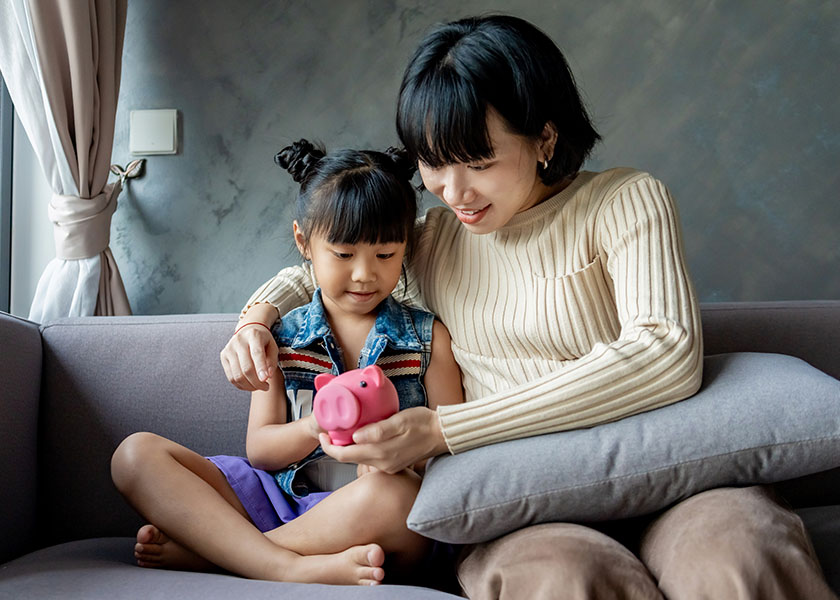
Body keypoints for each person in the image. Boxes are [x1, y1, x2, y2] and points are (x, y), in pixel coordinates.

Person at [221, 15, 836, 600]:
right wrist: (256, 319)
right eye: (433, 163)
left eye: (479, 162)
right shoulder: (435, 240)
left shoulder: (625, 201)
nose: (453, 191)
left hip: (679, 479)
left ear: (544, 137)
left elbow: (664, 352)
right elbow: (331, 269)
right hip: (519, 504)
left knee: (736, 559)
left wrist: (446, 430)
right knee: (562, 579)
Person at [111, 140, 464, 586]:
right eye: (343, 254)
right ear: (304, 242)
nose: (364, 274)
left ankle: (226, 552)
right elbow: (261, 450)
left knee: (391, 496)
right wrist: (314, 425)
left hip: (374, 511)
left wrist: (402, 462)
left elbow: (450, 443)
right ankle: (286, 564)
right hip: (282, 500)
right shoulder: (282, 337)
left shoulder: (427, 338)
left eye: (385, 255)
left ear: (406, 247)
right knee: (134, 455)